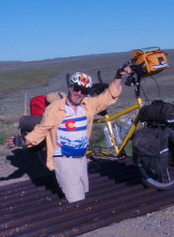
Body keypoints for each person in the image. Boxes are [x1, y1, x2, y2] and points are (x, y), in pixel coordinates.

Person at [7, 67, 131, 203]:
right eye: (76, 88)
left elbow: (108, 97)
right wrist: (24, 141)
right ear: (70, 87)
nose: (79, 93)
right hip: (63, 159)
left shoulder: (88, 105)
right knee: (76, 199)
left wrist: (118, 76)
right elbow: (42, 129)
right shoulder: (55, 108)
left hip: (81, 157)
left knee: (83, 191)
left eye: (83, 91)